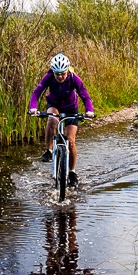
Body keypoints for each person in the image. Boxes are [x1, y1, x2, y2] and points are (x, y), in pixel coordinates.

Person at [28, 52, 94, 188]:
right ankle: (49, 150)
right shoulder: (49, 77)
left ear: (67, 71)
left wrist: (89, 110)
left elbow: (85, 95)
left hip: (71, 109)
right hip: (54, 105)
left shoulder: (74, 78)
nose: (60, 77)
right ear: (53, 72)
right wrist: (33, 108)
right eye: (57, 74)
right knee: (52, 119)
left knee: (70, 141)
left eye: (63, 73)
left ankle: (72, 172)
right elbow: (37, 92)